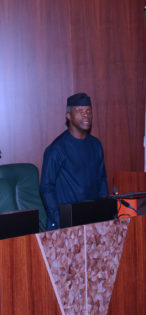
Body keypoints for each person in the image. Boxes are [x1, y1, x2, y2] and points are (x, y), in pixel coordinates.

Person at [40, 93, 108, 230]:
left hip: (93, 220)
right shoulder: (57, 149)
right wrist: (59, 219)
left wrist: (105, 213)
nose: (85, 115)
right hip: (66, 223)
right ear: (68, 116)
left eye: (88, 111)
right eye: (79, 111)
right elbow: (46, 188)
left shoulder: (96, 145)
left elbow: (101, 181)